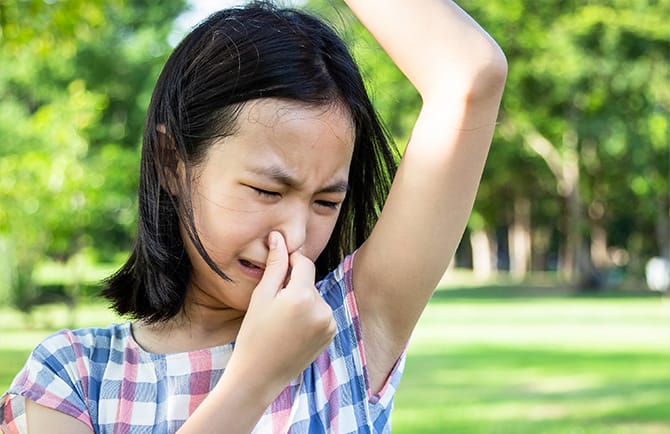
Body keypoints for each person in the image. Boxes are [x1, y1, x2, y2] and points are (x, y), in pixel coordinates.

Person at [0, 0, 507, 432]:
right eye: (267, 190)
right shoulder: (71, 377)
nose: (295, 234)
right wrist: (255, 379)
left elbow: (470, 74)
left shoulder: (353, 325)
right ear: (173, 163)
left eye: (326, 202)